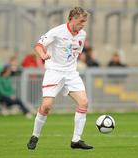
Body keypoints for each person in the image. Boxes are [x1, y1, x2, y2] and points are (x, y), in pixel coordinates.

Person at [27, 7, 93, 150]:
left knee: (84, 103)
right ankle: (35, 135)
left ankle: (76, 140)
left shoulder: (82, 34)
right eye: (81, 21)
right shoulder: (57, 31)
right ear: (72, 18)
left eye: (85, 22)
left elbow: (75, 52)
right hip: (54, 72)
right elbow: (38, 45)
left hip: (71, 73)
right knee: (46, 106)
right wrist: (43, 56)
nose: (83, 25)